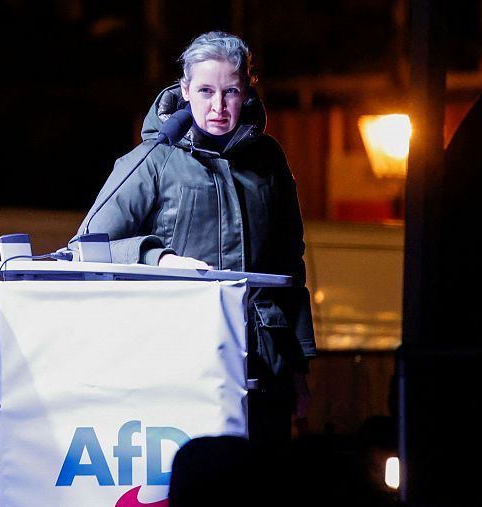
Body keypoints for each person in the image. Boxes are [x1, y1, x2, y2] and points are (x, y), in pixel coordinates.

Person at [76, 31, 316, 456]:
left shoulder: (269, 160)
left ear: (247, 91)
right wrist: (158, 257)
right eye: (205, 91)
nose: (218, 106)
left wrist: (298, 368)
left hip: (264, 368)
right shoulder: (152, 160)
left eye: (231, 92)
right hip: (180, 361)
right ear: (185, 90)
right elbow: (86, 246)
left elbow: (289, 264)